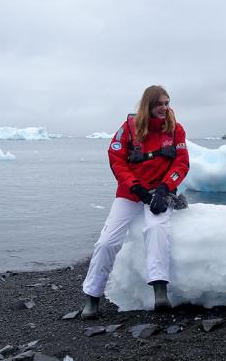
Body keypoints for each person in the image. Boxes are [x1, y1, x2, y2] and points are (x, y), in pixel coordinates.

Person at [81, 85, 190, 319]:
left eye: (167, 103)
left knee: (156, 228)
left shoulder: (176, 130)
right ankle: (92, 297)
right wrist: (138, 189)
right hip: (131, 193)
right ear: (148, 105)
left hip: (160, 193)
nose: (164, 108)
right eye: (159, 103)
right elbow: (117, 160)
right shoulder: (128, 129)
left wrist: (164, 189)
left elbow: (181, 163)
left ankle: (160, 290)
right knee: (107, 241)